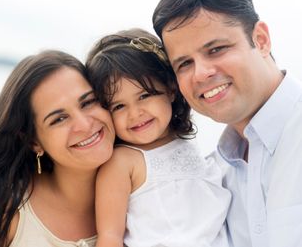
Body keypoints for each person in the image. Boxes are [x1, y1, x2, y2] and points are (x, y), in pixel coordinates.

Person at [152, 0, 302, 247]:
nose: (200, 74)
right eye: (184, 64)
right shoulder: (209, 178)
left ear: (261, 39)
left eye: (216, 49)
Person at [0, 50, 116, 247]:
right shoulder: (3, 217)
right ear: (34, 142)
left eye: (88, 102)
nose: (84, 125)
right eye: (59, 119)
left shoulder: (145, 192)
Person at [85, 28, 231, 247]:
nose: (135, 114)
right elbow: (110, 236)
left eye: (144, 95)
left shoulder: (187, 147)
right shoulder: (122, 162)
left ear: (171, 88)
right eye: (119, 106)